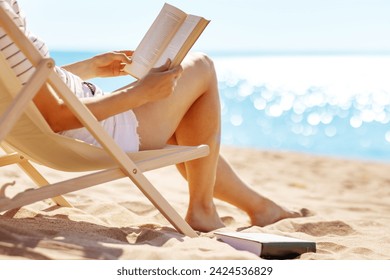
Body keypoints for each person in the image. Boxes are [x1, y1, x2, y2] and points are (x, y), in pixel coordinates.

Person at [0, 0, 304, 232]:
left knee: (188, 126)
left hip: (63, 122)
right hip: (94, 129)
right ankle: (202, 208)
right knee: (202, 67)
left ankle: (259, 208)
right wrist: (139, 94)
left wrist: (90, 68)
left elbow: (25, 87)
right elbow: (55, 117)